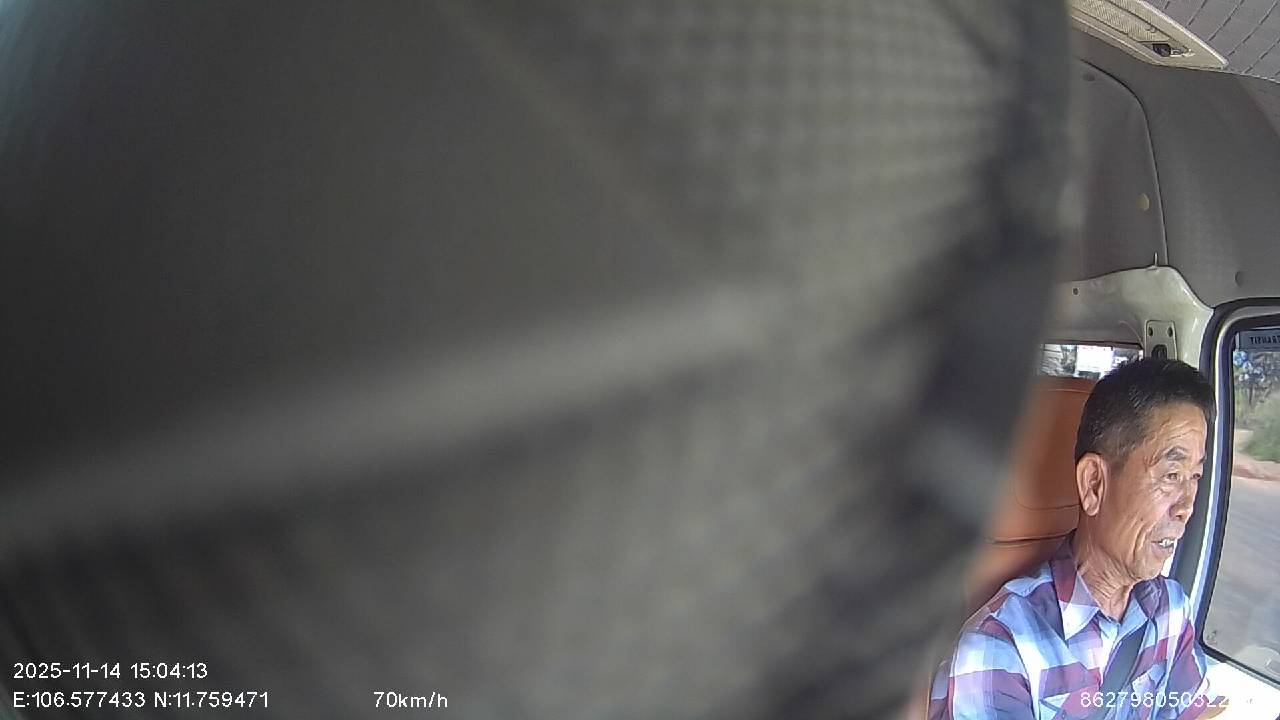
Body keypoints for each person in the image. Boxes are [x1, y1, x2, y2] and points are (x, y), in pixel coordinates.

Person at [928, 358, 1225, 719]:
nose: (1187, 507)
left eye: (1195, 477)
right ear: (1094, 484)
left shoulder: (1170, 610)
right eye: (1171, 475)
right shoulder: (999, 648)